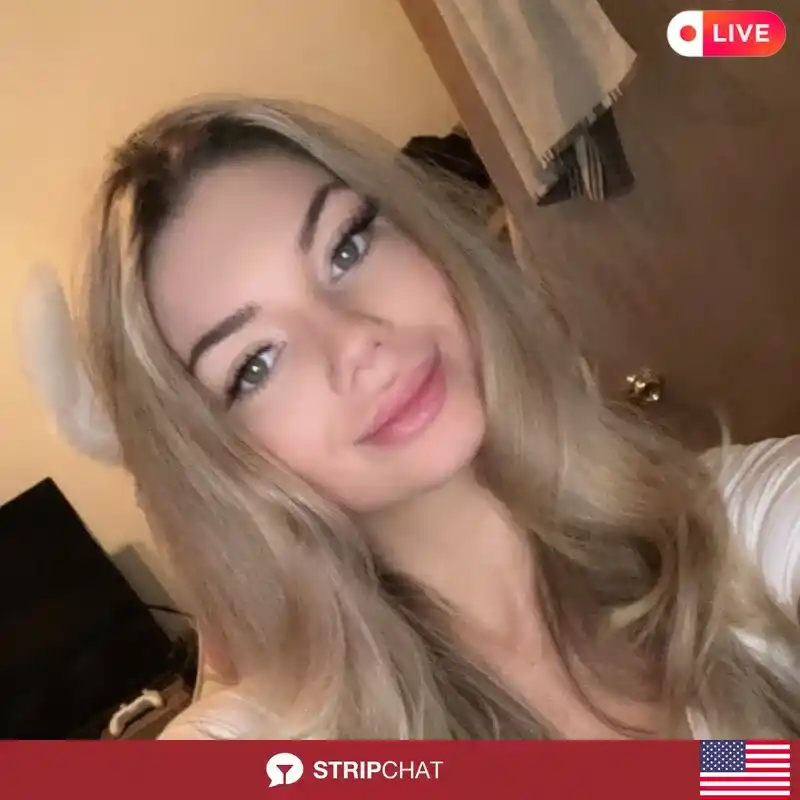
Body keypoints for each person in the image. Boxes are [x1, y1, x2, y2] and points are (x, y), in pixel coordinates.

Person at [77, 96, 800, 740]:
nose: (355, 340)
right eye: (256, 363)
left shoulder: (735, 534)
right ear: (222, 464)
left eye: (347, 247)